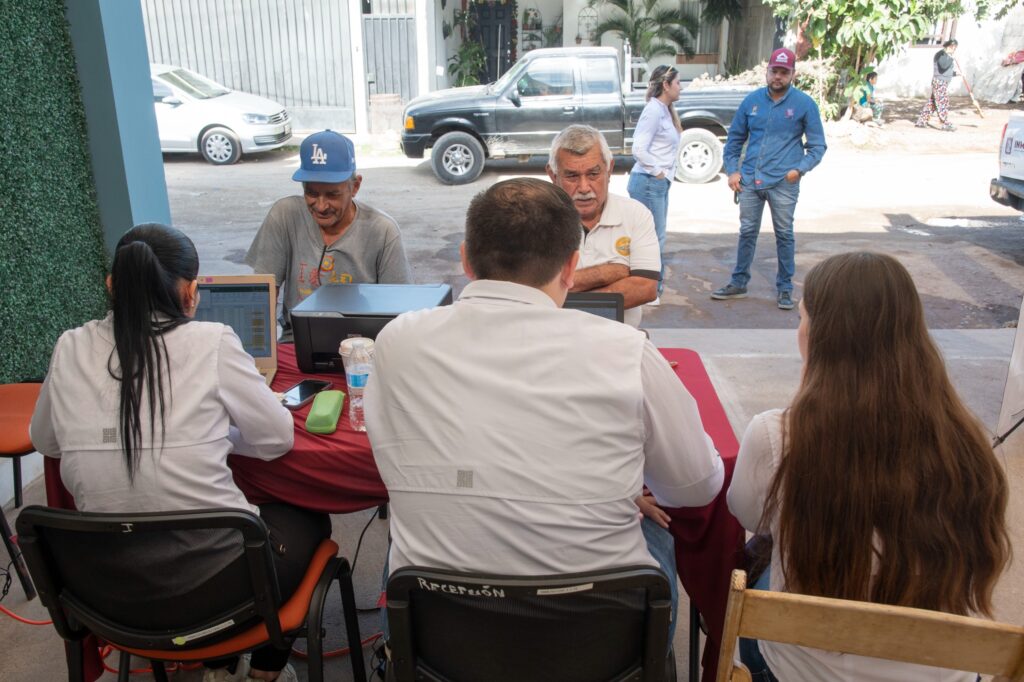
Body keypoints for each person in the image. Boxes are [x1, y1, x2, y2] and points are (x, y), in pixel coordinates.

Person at [364, 178, 723, 623]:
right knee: (658, 534)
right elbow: (696, 486)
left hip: (437, 636)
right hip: (601, 646)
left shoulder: (398, 340)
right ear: (572, 268)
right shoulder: (626, 351)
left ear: (465, 259)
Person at [30, 224, 331, 682]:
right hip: (221, 589)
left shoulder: (69, 346)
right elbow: (277, 439)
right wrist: (219, 434)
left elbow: (46, 441)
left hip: (106, 593)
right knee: (310, 517)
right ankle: (263, 671)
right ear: (191, 293)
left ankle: (217, 664)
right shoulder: (211, 342)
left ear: (113, 285)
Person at [727, 252, 1010, 682]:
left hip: (800, 671)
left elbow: (750, 516)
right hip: (946, 672)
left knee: (758, 570)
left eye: (802, 318)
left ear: (821, 335)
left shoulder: (776, 434)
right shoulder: (968, 444)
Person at [246, 130, 412, 341]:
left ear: (355, 187)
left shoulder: (383, 231)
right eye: (311, 193)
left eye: (332, 194)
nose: (321, 206)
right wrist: (260, 352)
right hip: (296, 340)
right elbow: (263, 293)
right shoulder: (284, 215)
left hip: (362, 344)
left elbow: (399, 309)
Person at [711, 48, 827, 311]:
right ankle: (739, 282)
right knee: (747, 232)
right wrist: (732, 171)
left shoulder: (804, 104)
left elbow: (818, 146)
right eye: (774, 71)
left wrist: (799, 169)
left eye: (784, 72)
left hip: (784, 183)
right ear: (767, 71)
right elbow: (734, 141)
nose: (778, 77)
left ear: (793, 74)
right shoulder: (751, 102)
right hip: (751, 181)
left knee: (784, 234)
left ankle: (785, 288)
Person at [546, 124, 661, 327]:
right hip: (556, 341)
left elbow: (645, 288)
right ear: (553, 176)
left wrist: (561, 290)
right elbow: (529, 290)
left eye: (593, 174)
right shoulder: (536, 219)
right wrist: (607, 273)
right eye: (572, 176)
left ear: (609, 170)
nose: (583, 187)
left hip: (621, 340)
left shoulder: (636, 214)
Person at [628, 65, 682, 296]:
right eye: (678, 83)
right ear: (666, 85)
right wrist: (658, 172)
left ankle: (648, 286)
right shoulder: (653, 110)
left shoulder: (665, 110)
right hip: (649, 182)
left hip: (657, 183)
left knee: (654, 236)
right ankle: (649, 289)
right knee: (652, 238)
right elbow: (639, 148)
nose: (682, 87)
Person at [916, 39, 959, 131]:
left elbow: (946, 70)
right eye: (953, 47)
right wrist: (952, 58)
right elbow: (943, 66)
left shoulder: (947, 56)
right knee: (943, 102)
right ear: (949, 46)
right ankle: (945, 123)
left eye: (955, 48)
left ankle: (921, 121)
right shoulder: (941, 54)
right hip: (939, 82)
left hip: (942, 82)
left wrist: (956, 74)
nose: (954, 49)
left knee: (933, 103)